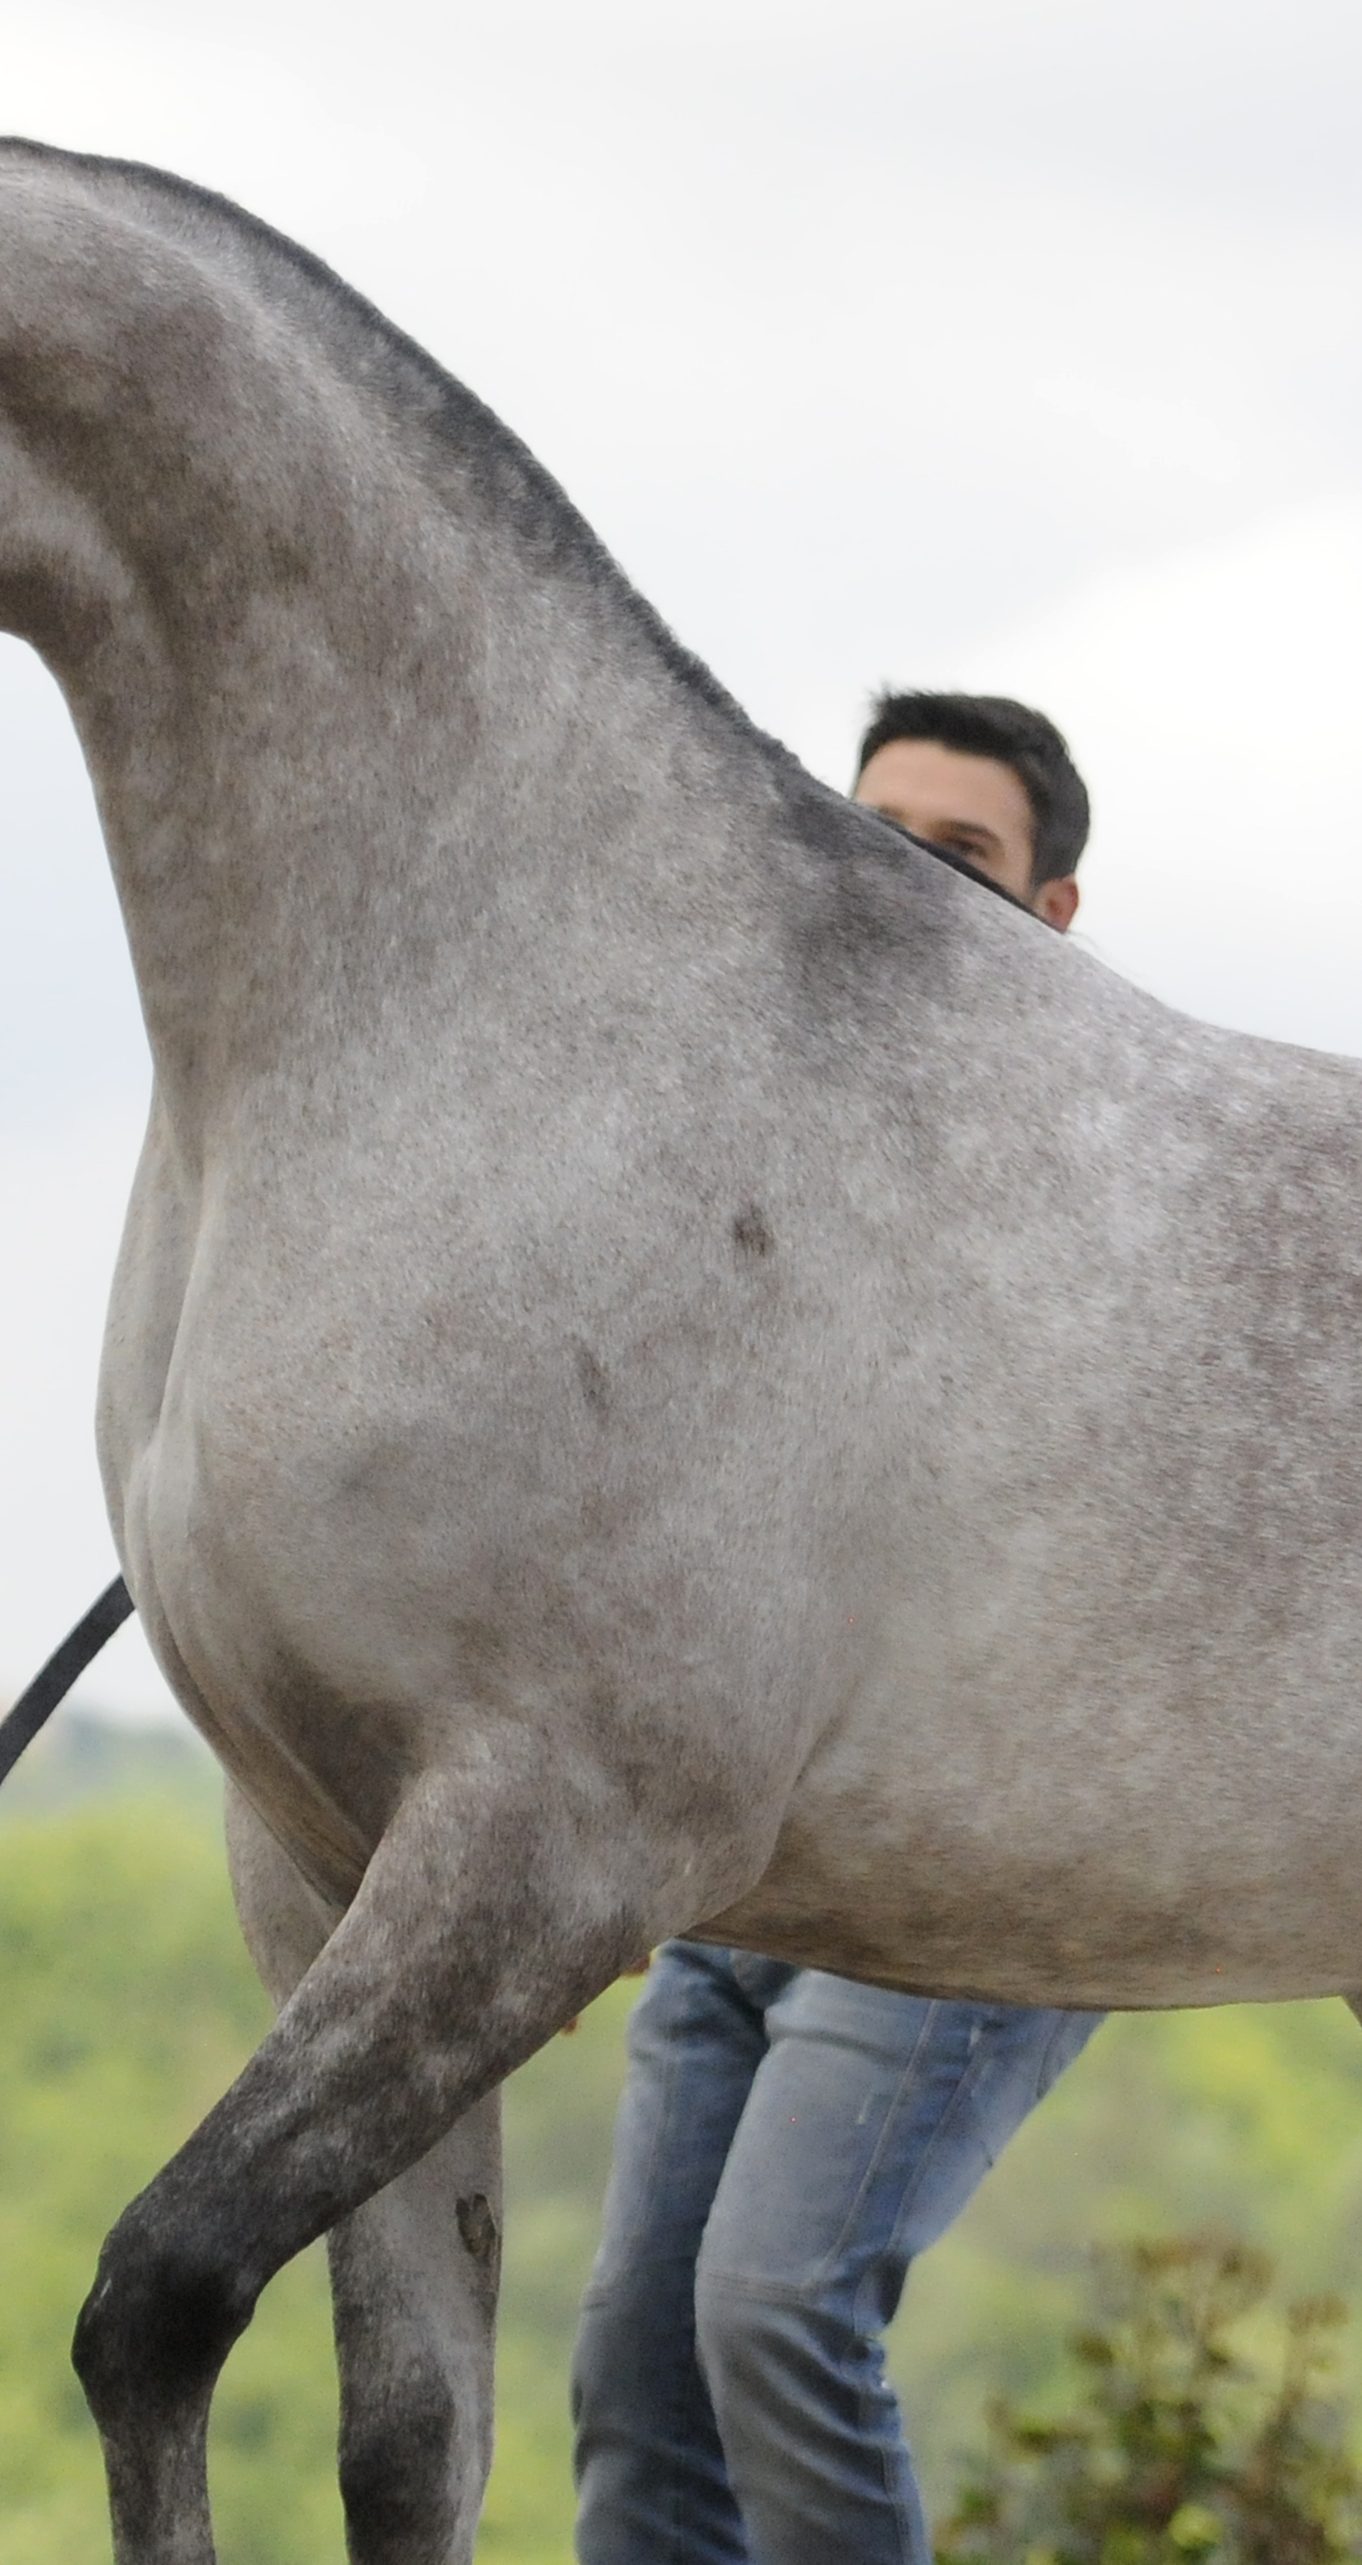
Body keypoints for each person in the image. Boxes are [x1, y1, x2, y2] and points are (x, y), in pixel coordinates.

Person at [568, 691, 1105, 2565]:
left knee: (777, 2316)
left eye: (958, 853)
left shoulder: (1106, 1164)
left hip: (972, 1859)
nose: (896, 874)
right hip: (754, 1870)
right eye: (871, 829)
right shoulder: (759, 1141)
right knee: (639, 2376)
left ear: (1049, 911)